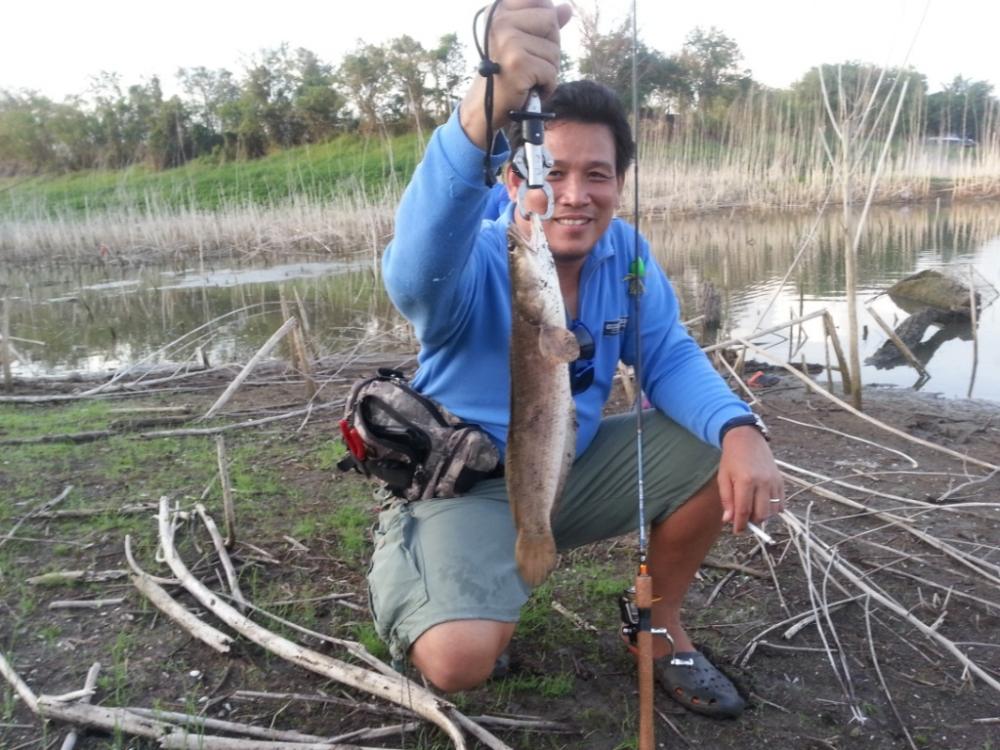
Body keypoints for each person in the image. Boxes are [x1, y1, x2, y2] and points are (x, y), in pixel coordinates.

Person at [368, 0, 784, 719]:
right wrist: (483, 109)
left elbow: (667, 355)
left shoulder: (625, 252)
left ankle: (656, 624)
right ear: (510, 181)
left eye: (598, 175)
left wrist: (741, 428)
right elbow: (413, 273)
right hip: (469, 481)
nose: (574, 196)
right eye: (553, 172)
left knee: (709, 442)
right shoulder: (483, 256)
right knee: (459, 662)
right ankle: (428, 568)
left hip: (572, 463)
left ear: (618, 184)